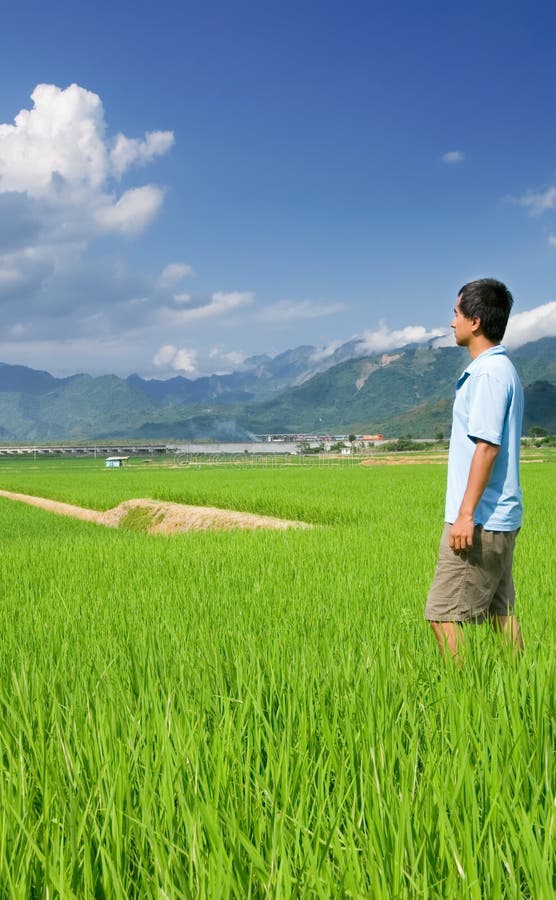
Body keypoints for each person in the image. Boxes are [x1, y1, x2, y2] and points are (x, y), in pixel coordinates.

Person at [425, 278, 524, 659]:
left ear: (476, 321)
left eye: (456, 313)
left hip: (480, 520)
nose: (452, 321)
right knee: (502, 612)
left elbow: (486, 448)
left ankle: (465, 688)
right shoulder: (501, 369)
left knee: (442, 615)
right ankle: (522, 682)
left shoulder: (487, 375)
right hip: (498, 518)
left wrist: (465, 516)